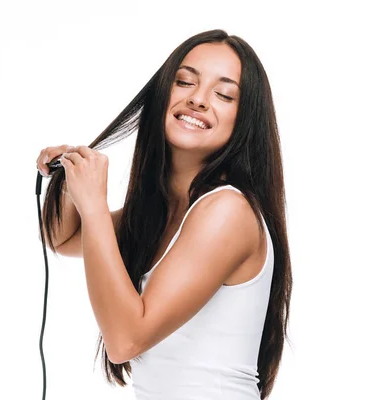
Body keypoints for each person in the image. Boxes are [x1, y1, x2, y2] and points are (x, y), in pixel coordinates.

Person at [36, 29, 292, 400]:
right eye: (185, 81)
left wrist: (93, 202)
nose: (198, 100)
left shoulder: (227, 211)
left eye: (224, 94)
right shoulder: (163, 212)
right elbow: (62, 238)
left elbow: (125, 340)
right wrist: (73, 177)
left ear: (245, 120)